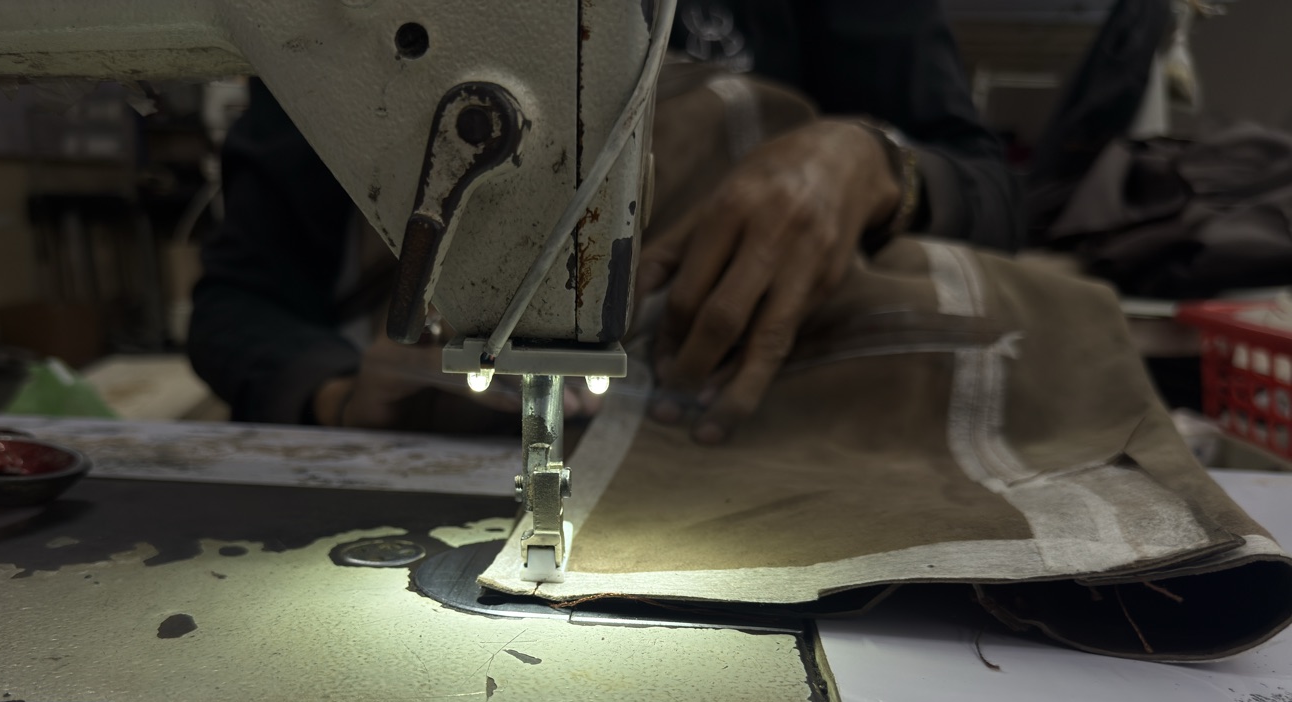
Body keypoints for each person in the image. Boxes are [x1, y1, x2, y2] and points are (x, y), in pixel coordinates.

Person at [189, 0, 1020, 443]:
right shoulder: (342, 19)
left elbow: (997, 193)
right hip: (423, 447)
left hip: (755, 437)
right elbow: (238, 301)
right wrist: (336, 397)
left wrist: (874, 163)